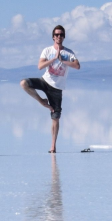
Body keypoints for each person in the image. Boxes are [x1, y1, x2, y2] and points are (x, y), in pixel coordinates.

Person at [20, 25, 80, 153]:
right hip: (45, 81)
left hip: (57, 89)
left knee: (55, 118)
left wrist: (62, 59)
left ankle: (53, 146)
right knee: (24, 83)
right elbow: (40, 66)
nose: (59, 37)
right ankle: (41, 101)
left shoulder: (69, 53)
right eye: (57, 34)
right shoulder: (47, 51)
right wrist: (53, 59)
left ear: (64, 37)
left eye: (61, 34)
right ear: (53, 37)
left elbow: (77, 66)